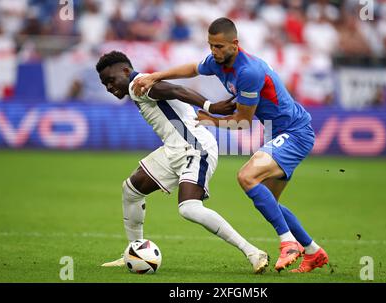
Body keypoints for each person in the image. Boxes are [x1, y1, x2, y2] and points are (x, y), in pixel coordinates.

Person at [132, 18, 329, 273]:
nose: (214, 51)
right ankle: (313, 251)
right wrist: (155, 76)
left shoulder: (249, 72)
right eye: (211, 45)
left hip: (295, 132)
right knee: (270, 202)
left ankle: (288, 243)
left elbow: (243, 122)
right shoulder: (218, 62)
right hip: (279, 133)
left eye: (220, 46)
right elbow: (193, 68)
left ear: (235, 44)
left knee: (246, 176)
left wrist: (210, 120)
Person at [96, 51, 269, 274]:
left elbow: (175, 90)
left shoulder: (138, 84)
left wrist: (210, 106)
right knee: (131, 189)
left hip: (195, 148)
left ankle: (253, 252)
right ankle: (132, 250)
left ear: (126, 71)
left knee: (189, 208)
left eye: (111, 80)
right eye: (104, 84)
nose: (109, 87)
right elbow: (171, 92)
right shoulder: (141, 83)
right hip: (174, 149)